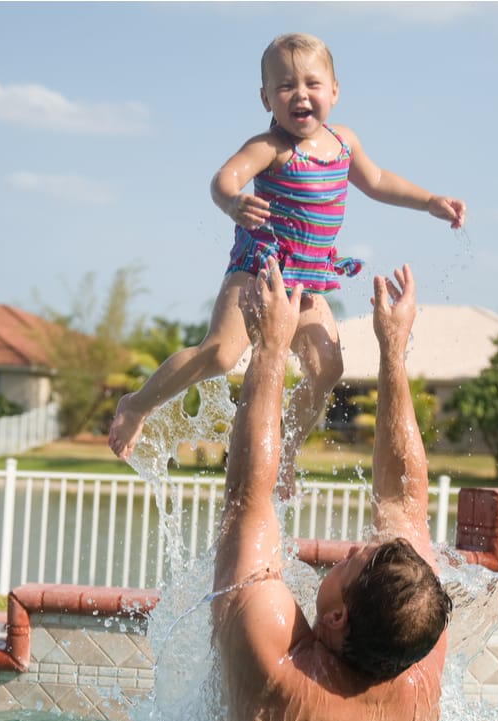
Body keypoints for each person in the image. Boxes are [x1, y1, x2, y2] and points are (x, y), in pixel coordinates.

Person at [108, 32, 465, 489]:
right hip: (259, 269)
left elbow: (378, 181)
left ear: (335, 91)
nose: (300, 94)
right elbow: (224, 178)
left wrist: (430, 200)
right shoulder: (269, 147)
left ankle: (286, 449)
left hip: (310, 279)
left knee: (327, 368)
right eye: (285, 86)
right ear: (265, 99)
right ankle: (137, 404)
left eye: (312, 83)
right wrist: (233, 203)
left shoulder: (344, 143)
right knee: (220, 353)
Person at [212, 257, 452, 721]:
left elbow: (247, 501)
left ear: (339, 618)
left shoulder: (278, 663)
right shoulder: (420, 657)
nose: (346, 550)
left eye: (348, 563)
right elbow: (404, 501)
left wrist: (269, 351)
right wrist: (393, 351)